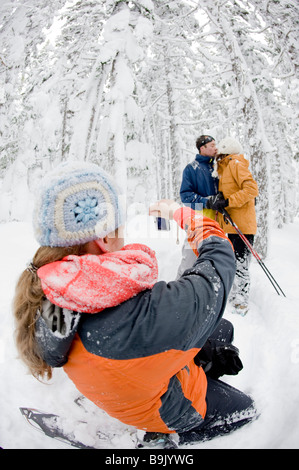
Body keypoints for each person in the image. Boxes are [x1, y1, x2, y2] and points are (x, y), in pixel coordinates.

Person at [13, 161, 257, 446]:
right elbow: (218, 260)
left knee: (221, 329)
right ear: (104, 237)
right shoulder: (145, 315)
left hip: (114, 384)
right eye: (120, 225)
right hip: (156, 404)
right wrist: (183, 215)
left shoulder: (50, 289)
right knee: (245, 409)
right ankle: (162, 433)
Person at [206, 137, 259, 315]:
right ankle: (234, 294)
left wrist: (228, 201)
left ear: (225, 152)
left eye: (219, 154)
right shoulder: (225, 168)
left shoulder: (235, 164)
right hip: (229, 225)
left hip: (241, 225)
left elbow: (251, 189)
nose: (217, 158)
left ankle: (241, 300)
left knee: (241, 263)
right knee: (232, 261)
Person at [177, 135, 219, 278]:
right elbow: (185, 196)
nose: (215, 148)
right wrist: (207, 201)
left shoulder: (218, 167)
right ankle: (178, 287)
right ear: (202, 148)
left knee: (213, 259)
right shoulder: (191, 169)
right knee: (190, 258)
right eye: (212, 145)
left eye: (215, 145)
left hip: (218, 222)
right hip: (198, 220)